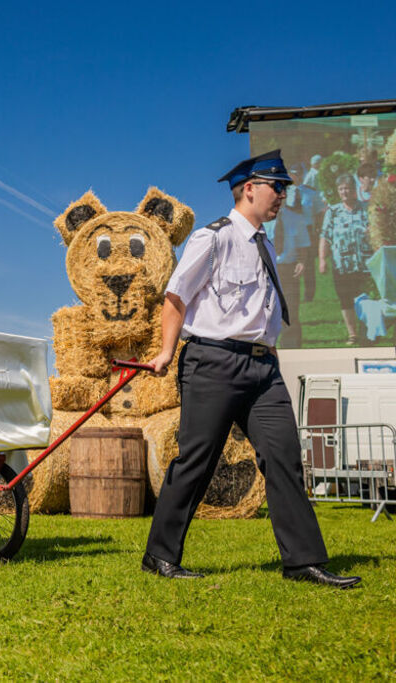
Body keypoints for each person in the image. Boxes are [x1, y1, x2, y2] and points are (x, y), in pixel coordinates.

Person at [144, 150, 361, 588]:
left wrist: (271, 356)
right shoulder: (214, 238)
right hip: (213, 363)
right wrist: (168, 351)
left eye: (284, 188)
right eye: (276, 187)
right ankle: (160, 556)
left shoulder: (266, 245)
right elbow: (176, 297)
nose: (282, 195)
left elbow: (260, 315)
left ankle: (303, 562)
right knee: (197, 463)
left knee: (284, 457)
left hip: (262, 369)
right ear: (249, 189)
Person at [319, 173, 372, 346]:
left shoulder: (366, 208)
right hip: (341, 265)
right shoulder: (333, 211)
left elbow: (376, 231)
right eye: (341, 189)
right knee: (345, 299)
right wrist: (322, 259)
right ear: (337, 191)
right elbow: (325, 236)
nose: (344, 192)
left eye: (347, 188)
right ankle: (352, 334)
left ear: (354, 189)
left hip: (365, 264)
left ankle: (367, 331)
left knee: (365, 298)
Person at [265, 164, 314, 348]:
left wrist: (302, 261)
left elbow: (303, 244)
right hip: (268, 270)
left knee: (291, 310)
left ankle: (292, 346)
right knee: (267, 310)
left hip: (289, 269)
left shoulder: (297, 218)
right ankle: (268, 346)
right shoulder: (262, 220)